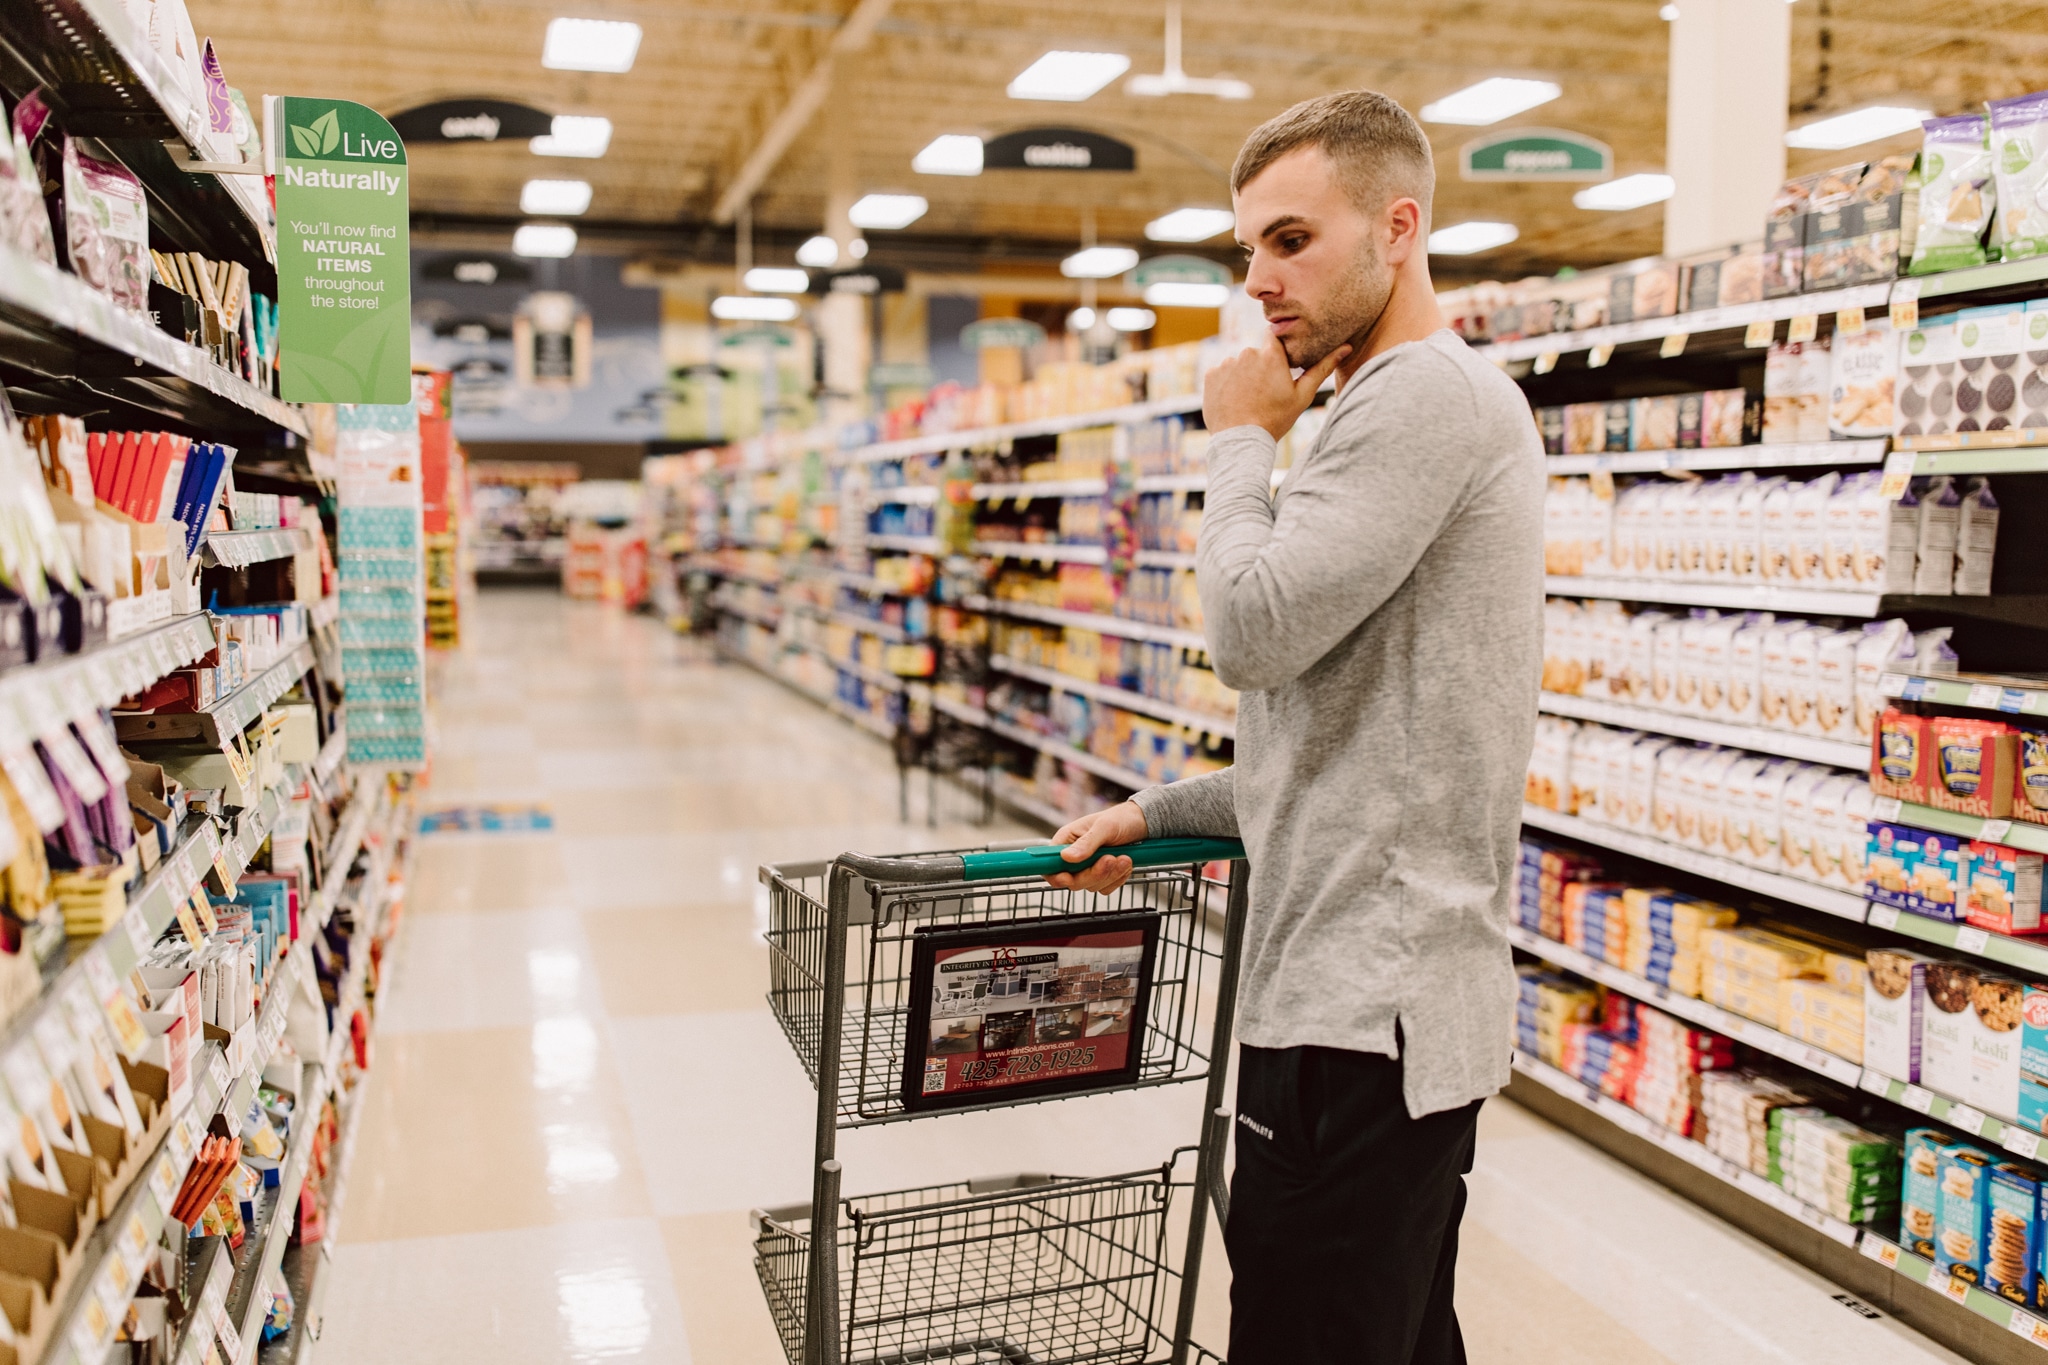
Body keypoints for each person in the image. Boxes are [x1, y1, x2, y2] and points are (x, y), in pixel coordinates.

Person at [1046, 91, 1544, 1364]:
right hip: (1366, 1009)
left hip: (1352, 1025)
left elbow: (1250, 631)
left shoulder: (1416, 398)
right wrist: (1157, 813)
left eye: (1289, 240)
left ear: (1397, 225)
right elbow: (1336, 745)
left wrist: (1237, 446)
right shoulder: (1378, 405)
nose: (1257, 281)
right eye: (1245, 251)